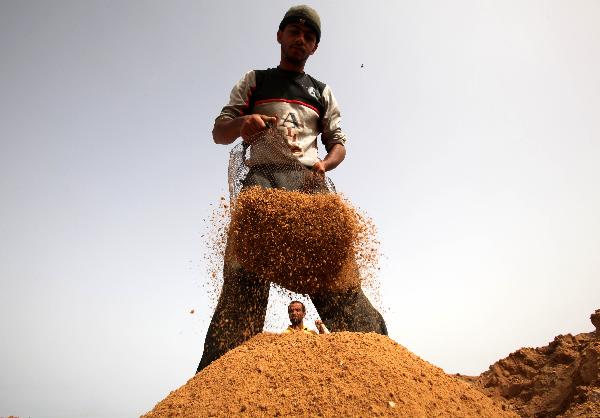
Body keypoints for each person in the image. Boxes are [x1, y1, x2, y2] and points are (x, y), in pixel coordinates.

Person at [196, 5, 387, 374]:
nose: (301, 39)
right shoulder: (255, 80)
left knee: (337, 279)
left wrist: (324, 164)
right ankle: (219, 376)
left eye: (309, 36)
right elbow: (219, 131)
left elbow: (339, 144)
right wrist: (243, 123)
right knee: (243, 281)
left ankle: (378, 363)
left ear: (314, 47)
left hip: (309, 186)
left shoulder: (321, 91)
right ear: (280, 36)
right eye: (294, 31)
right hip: (263, 183)